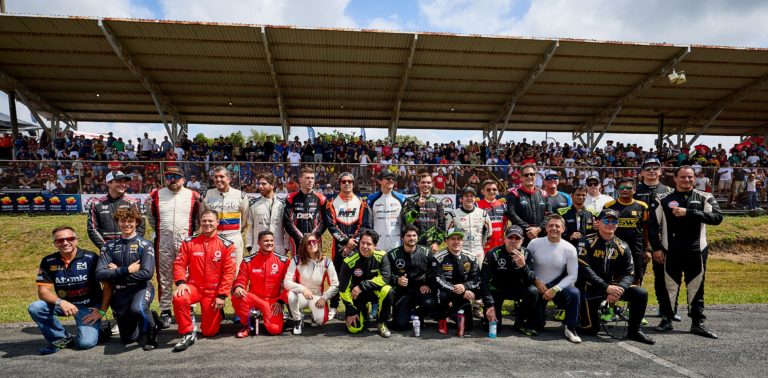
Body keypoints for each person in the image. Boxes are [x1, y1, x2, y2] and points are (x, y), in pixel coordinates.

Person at [648, 166, 723, 339]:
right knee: (669, 286)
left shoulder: (705, 197)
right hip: (670, 249)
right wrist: (657, 248)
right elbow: (652, 226)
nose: (686, 180)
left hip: (697, 250)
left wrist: (689, 212)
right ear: (675, 178)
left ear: (695, 178)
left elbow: (718, 218)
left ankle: (698, 323)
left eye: (690, 177)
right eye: (682, 177)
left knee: (696, 286)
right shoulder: (663, 198)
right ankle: (667, 320)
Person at [576, 209, 655, 345]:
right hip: (589, 289)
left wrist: (619, 290)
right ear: (598, 223)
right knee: (591, 329)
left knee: (640, 293)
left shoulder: (623, 246)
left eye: (614, 221)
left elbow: (629, 273)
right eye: (607, 220)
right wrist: (606, 288)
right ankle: (575, 317)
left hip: (612, 287)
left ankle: (634, 330)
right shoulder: (585, 242)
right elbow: (584, 270)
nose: (610, 224)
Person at [29, 226, 108, 355]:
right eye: (60, 240)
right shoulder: (48, 261)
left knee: (85, 343)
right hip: (64, 305)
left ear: (76, 240)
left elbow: (108, 286)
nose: (65, 243)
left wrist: (102, 311)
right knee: (35, 307)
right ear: (55, 244)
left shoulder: (91, 258)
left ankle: (100, 331)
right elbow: (43, 292)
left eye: (70, 238)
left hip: (89, 308)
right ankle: (61, 338)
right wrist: (61, 302)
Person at [171, 210, 236, 352]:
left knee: (209, 332)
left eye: (210, 221)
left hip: (213, 291)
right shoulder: (189, 242)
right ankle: (187, 332)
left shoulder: (226, 245)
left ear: (217, 223)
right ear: (200, 222)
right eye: (204, 220)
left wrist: (222, 295)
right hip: (194, 287)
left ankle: (217, 315)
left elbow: (229, 273)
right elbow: (179, 264)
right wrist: (181, 283)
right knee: (179, 298)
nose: (207, 223)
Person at [95, 207, 160, 350]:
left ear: (137, 223)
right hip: (120, 293)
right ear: (118, 222)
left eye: (131, 221)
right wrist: (126, 270)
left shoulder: (145, 245)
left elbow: (147, 274)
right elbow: (99, 274)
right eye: (123, 221)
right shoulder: (109, 247)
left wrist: (116, 273)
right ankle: (151, 317)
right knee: (128, 339)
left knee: (138, 308)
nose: (127, 224)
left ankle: (152, 334)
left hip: (140, 287)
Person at [145, 165, 201, 328]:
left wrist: (192, 235)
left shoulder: (194, 195)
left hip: (186, 240)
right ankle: (165, 309)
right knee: (164, 275)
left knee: (189, 274)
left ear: (183, 179)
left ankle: (189, 306)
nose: (173, 180)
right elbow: (152, 218)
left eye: (176, 177)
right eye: (169, 177)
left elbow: (198, 219)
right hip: (164, 240)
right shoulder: (155, 195)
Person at [634, 157, 680, 322]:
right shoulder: (634, 191)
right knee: (636, 276)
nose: (652, 171)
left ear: (660, 171)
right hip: (639, 240)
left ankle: (666, 308)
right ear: (642, 172)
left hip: (662, 240)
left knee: (663, 277)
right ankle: (633, 309)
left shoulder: (669, 191)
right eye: (648, 168)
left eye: (655, 168)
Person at [528, 215, 581, 343]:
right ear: (546, 228)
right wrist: (536, 280)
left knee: (574, 293)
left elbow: (573, 275)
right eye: (551, 225)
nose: (554, 228)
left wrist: (555, 289)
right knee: (537, 325)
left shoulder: (569, 248)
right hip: (538, 286)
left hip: (557, 287)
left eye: (557, 226)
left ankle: (570, 327)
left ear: (563, 229)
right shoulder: (534, 243)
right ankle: (533, 320)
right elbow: (527, 267)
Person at [324, 172, 371, 319]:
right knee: (336, 277)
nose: (347, 184)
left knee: (359, 276)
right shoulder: (331, 203)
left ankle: (360, 305)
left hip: (357, 246)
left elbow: (364, 225)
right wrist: (345, 242)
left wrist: (353, 242)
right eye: (344, 181)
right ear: (339, 183)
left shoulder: (361, 202)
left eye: (350, 181)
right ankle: (334, 306)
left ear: (353, 183)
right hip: (338, 246)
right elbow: (331, 226)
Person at [481, 225, 540, 336]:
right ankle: (487, 316)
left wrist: (523, 266)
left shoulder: (527, 254)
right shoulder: (493, 254)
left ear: (522, 240)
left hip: (518, 289)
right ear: (504, 239)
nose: (513, 241)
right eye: (510, 237)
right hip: (498, 290)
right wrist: (489, 305)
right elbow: (484, 282)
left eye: (517, 238)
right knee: (494, 328)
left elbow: (530, 281)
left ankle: (520, 323)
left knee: (533, 291)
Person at [232, 230, 291, 337]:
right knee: (237, 296)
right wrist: (239, 287)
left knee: (275, 330)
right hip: (255, 298)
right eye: (266, 241)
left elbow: (290, 284)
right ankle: (247, 325)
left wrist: (281, 301)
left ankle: (264, 315)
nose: (269, 243)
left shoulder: (283, 261)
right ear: (259, 243)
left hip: (273, 301)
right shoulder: (248, 261)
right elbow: (241, 279)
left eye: (271, 241)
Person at [338, 229, 394, 338]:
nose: (365, 246)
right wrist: (351, 311)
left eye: (369, 244)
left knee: (388, 290)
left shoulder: (382, 256)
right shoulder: (349, 261)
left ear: (375, 245)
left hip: (374, 292)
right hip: (357, 296)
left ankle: (381, 322)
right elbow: (343, 289)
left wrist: (361, 286)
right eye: (362, 243)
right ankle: (363, 312)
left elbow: (385, 278)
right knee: (354, 329)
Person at [284, 233, 340, 335]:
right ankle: (297, 320)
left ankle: (315, 315)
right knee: (291, 295)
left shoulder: (326, 262)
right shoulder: (296, 260)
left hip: (318, 297)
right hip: (302, 295)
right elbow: (287, 282)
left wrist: (325, 297)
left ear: (318, 244)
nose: (312, 244)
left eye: (314, 241)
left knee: (320, 320)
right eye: (308, 243)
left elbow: (335, 284)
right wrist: (302, 289)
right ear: (304, 246)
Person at [431, 227, 481, 335]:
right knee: (442, 294)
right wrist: (458, 289)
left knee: (468, 327)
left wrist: (465, 286)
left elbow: (477, 278)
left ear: (463, 241)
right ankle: (442, 318)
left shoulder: (471, 257)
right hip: (445, 292)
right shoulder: (438, 257)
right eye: (453, 239)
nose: (456, 242)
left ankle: (453, 313)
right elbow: (438, 280)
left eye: (459, 239)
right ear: (446, 241)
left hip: (463, 293)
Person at [386, 225, 436, 331]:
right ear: (403, 238)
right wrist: (397, 280)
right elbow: (386, 275)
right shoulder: (393, 255)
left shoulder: (427, 252)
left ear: (417, 237)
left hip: (421, 290)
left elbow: (434, 272)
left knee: (429, 302)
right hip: (403, 292)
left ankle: (417, 314)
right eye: (408, 236)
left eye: (414, 235)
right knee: (399, 326)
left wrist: (428, 284)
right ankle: (407, 313)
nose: (412, 238)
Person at [202, 166, 250, 272]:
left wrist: (236, 231)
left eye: (221, 177)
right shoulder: (207, 195)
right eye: (215, 177)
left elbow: (245, 218)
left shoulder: (241, 195)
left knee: (235, 270)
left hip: (234, 237)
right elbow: (202, 216)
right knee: (213, 270)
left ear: (229, 178)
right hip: (213, 238)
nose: (218, 179)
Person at [604, 177, 649, 285]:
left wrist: (647, 249)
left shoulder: (642, 206)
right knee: (613, 280)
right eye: (622, 188)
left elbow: (646, 229)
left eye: (628, 188)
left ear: (634, 190)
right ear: (618, 190)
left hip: (636, 248)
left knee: (636, 279)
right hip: (615, 248)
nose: (625, 190)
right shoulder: (609, 206)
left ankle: (634, 301)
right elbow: (603, 227)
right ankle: (612, 301)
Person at [87, 170, 145, 250]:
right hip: (107, 250)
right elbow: (92, 229)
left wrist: (130, 245)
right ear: (108, 183)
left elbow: (140, 227)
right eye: (119, 181)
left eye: (125, 182)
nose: (123, 184)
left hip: (129, 249)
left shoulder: (133, 203)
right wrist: (106, 248)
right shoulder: (96, 204)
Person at [283, 166, 328, 255]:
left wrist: (313, 237)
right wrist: (300, 238)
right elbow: (287, 221)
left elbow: (324, 221)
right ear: (300, 179)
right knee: (298, 266)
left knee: (316, 266)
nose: (310, 180)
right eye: (307, 178)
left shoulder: (321, 198)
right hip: (297, 241)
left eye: (312, 178)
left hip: (315, 240)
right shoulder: (290, 198)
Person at [245, 172, 289, 256]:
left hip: (278, 248)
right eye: (259, 184)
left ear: (272, 185)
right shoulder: (253, 204)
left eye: (264, 184)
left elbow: (286, 228)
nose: (260, 186)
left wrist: (286, 247)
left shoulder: (282, 204)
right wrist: (249, 246)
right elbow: (249, 227)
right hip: (258, 249)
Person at [505, 163, 548, 246]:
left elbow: (549, 214)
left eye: (532, 174)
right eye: (526, 175)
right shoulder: (514, 194)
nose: (529, 176)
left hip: (541, 235)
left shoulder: (544, 194)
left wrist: (539, 229)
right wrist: (528, 229)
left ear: (535, 176)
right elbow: (511, 213)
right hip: (521, 236)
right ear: (521, 177)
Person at [403, 171, 446, 252]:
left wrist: (437, 242)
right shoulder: (410, 200)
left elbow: (442, 224)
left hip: (432, 247)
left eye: (428, 182)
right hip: (414, 246)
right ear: (418, 184)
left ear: (432, 184)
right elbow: (406, 221)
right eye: (423, 182)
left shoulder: (437, 202)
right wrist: (417, 206)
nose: (426, 185)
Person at [367, 171, 407, 252]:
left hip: (397, 243)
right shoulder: (371, 199)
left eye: (393, 179)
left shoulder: (402, 198)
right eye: (388, 178)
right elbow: (368, 222)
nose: (391, 180)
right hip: (377, 244)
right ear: (380, 181)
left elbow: (406, 221)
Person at [476, 179, 508, 252]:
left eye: (494, 189)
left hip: (499, 243)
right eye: (488, 189)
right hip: (482, 245)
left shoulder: (503, 205)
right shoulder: (477, 205)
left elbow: (505, 224)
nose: (492, 192)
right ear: (482, 191)